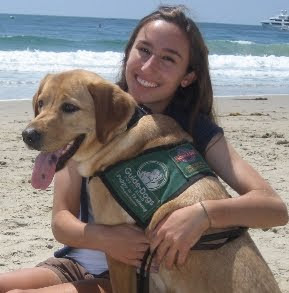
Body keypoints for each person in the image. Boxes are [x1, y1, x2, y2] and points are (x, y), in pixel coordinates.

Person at [0, 5, 288, 293]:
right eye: (144, 50)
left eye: (168, 59)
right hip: (77, 261)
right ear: (128, 53)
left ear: (187, 76)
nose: (149, 66)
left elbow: (273, 210)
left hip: (132, 274)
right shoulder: (92, 109)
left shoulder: (193, 128)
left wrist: (203, 214)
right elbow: (62, 221)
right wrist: (107, 238)